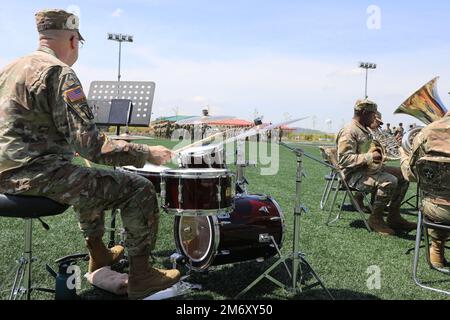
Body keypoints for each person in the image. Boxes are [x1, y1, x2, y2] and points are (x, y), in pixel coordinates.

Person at [0, 9, 180, 299]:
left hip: (5, 177)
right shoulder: (58, 72)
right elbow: (92, 146)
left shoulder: (8, 69)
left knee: (86, 178)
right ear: (73, 40)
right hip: (37, 178)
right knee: (140, 188)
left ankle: (99, 254)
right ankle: (142, 276)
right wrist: (146, 152)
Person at [336, 99, 415, 236]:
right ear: (364, 112)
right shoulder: (349, 131)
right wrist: (370, 157)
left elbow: (370, 151)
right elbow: (343, 160)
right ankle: (376, 219)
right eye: (373, 114)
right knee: (389, 180)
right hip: (352, 175)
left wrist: (379, 155)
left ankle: (393, 216)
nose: (375, 118)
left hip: (366, 170)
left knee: (403, 175)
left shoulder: (364, 129)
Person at [400, 112, 450, 268]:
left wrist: (403, 156)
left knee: (437, 201)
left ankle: (436, 250)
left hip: (435, 209)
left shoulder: (427, 132)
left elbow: (410, 174)